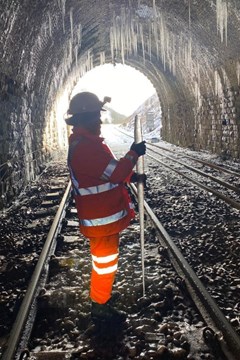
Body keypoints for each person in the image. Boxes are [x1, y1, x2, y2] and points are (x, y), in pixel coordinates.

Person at [65, 91, 146, 323]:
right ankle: (100, 306)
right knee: (104, 264)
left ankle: (103, 295)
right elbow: (116, 172)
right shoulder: (85, 148)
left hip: (103, 217)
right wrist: (133, 153)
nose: (99, 122)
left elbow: (108, 173)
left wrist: (131, 178)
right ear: (84, 119)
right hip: (101, 219)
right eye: (96, 117)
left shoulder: (87, 144)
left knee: (106, 262)